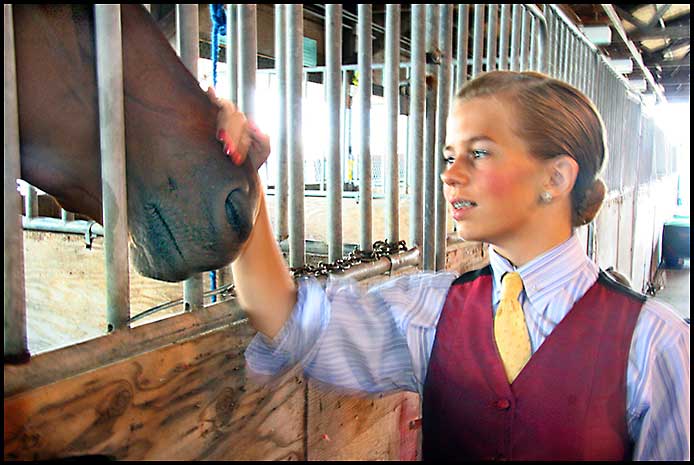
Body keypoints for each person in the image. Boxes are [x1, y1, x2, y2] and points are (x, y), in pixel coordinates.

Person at [208, 71, 689, 461]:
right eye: (449, 156)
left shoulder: (653, 342)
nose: (450, 174)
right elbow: (285, 317)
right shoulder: (432, 307)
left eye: (479, 153)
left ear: (556, 177)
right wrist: (244, 172)